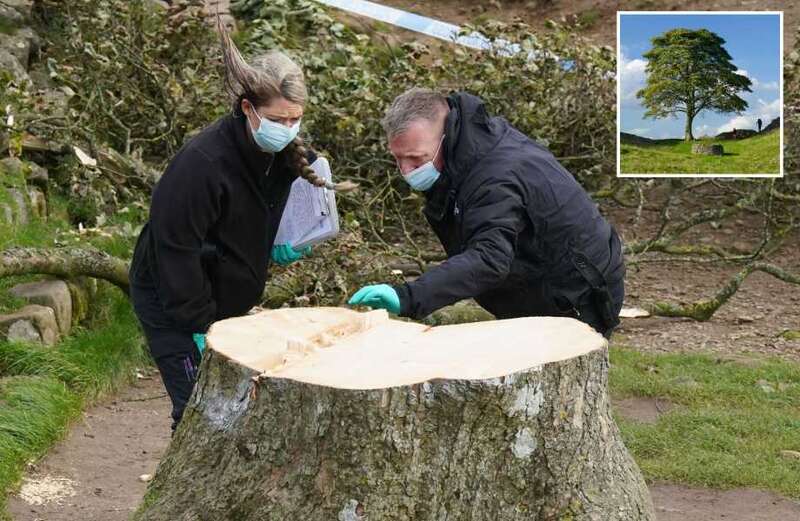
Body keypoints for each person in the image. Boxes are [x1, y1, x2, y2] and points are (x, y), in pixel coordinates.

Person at [128, 24, 325, 433]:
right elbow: (175, 251)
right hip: (174, 298)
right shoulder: (201, 165)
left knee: (239, 407)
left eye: (295, 119)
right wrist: (199, 326)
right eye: (277, 119)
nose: (287, 129)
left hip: (228, 295)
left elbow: (264, 209)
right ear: (246, 108)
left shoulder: (282, 155)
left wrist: (283, 239)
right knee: (199, 413)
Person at [348, 89, 625, 338]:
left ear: (444, 135)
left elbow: (489, 258)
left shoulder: (494, 178)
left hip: (578, 294)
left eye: (417, 159)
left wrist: (409, 296)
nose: (407, 171)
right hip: (533, 279)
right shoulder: (467, 147)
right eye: (398, 158)